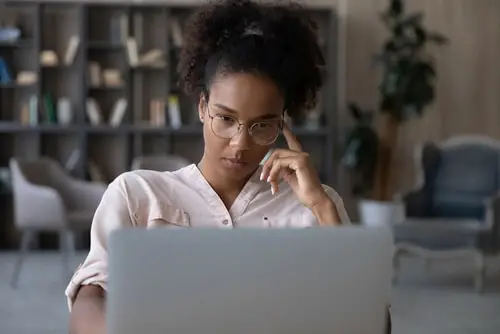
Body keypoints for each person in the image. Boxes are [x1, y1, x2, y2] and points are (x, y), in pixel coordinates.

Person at [67, 1, 391, 333]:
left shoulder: (318, 207)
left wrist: (322, 208)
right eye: (226, 118)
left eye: (262, 125)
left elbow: (375, 325)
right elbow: (88, 302)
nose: (240, 143)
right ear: (202, 108)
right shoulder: (138, 195)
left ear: (282, 124)